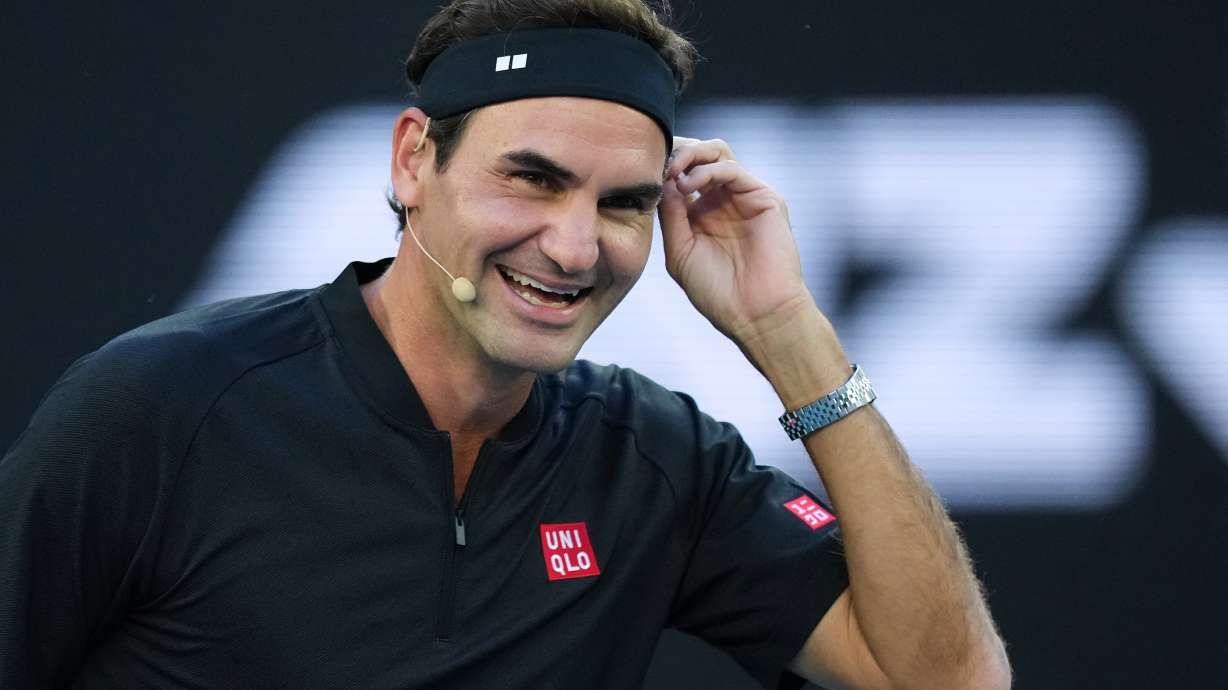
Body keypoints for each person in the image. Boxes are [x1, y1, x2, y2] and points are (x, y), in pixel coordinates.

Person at [0, 1, 1011, 688]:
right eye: (532, 179)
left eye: (621, 203)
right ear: (414, 160)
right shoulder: (164, 409)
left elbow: (948, 680)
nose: (573, 247)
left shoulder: (652, 462)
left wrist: (785, 332)